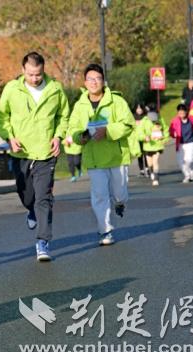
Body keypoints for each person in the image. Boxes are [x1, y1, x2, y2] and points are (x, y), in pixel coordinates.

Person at [0, 51, 69, 261]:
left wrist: (58, 136)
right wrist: (9, 137)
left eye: (38, 74)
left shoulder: (55, 89)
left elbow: (63, 116)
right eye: (30, 74)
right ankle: (31, 210)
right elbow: (0, 115)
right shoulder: (12, 89)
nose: (34, 79)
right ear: (23, 70)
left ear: (44, 70)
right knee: (26, 195)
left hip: (46, 152)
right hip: (21, 152)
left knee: (43, 198)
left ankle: (43, 242)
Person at [68, 64, 135, 246]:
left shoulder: (117, 101)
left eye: (97, 78)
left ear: (103, 81)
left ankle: (120, 203)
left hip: (116, 157)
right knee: (99, 196)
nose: (94, 82)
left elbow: (128, 125)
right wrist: (81, 137)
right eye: (90, 79)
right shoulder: (80, 106)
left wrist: (107, 131)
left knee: (120, 193)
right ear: (85, 82)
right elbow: (73, 129)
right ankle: (105, 231)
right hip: (94, 159)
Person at [168, 104, 193, 183]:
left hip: (191, 142)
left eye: (183, 111)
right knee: (181, 162)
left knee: (189, 160)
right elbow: (171, 130)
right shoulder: (175, 120)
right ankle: (187, 175)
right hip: (180, 144)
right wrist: (173, 134)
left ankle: (189, 171)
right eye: (179, 112)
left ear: (186, 111)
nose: (181, 113)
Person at [139, 109, 169, 186]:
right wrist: (144, 137)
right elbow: (139, 132)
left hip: (158, 145)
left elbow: (165, 130)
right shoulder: (144, 121)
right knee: (150, 163)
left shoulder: (161, 119)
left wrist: (164, 138)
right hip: (148, 146)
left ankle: (156, 177)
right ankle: (151, 172)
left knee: (155, 161)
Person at [132, 103, 149, 177]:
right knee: (139, 154)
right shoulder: (133, 117)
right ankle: (141, 170)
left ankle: (147, 169)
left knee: (146, 154)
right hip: (137, 138)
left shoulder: (146, 117)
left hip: (145, 138)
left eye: (140, 108)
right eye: (138, 108)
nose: (139, 110)